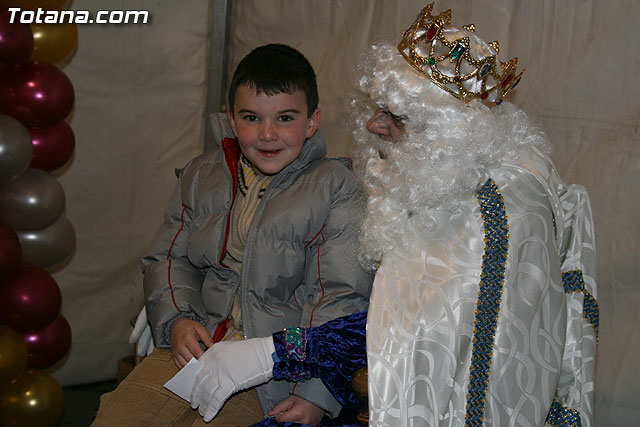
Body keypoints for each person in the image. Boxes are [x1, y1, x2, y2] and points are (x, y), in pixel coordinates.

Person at [189, 4, 598, 427]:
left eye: (396, 117)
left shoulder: (493, 214)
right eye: (377, 108)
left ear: (450, 131)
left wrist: (275, 352)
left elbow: (412, 336)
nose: (373, 126)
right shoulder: (443, 172)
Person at [92, 43, 373, 426]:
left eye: (285, 118)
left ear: (312, 122)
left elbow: (339, 298)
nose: (268, 134)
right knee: (117, 417)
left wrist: (316, 392)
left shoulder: (336, 187)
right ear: (231, 120)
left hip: (273, 373)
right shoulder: (201, 174)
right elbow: (169, 259)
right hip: (196, 346)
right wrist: (177, 320)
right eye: (252, 118)